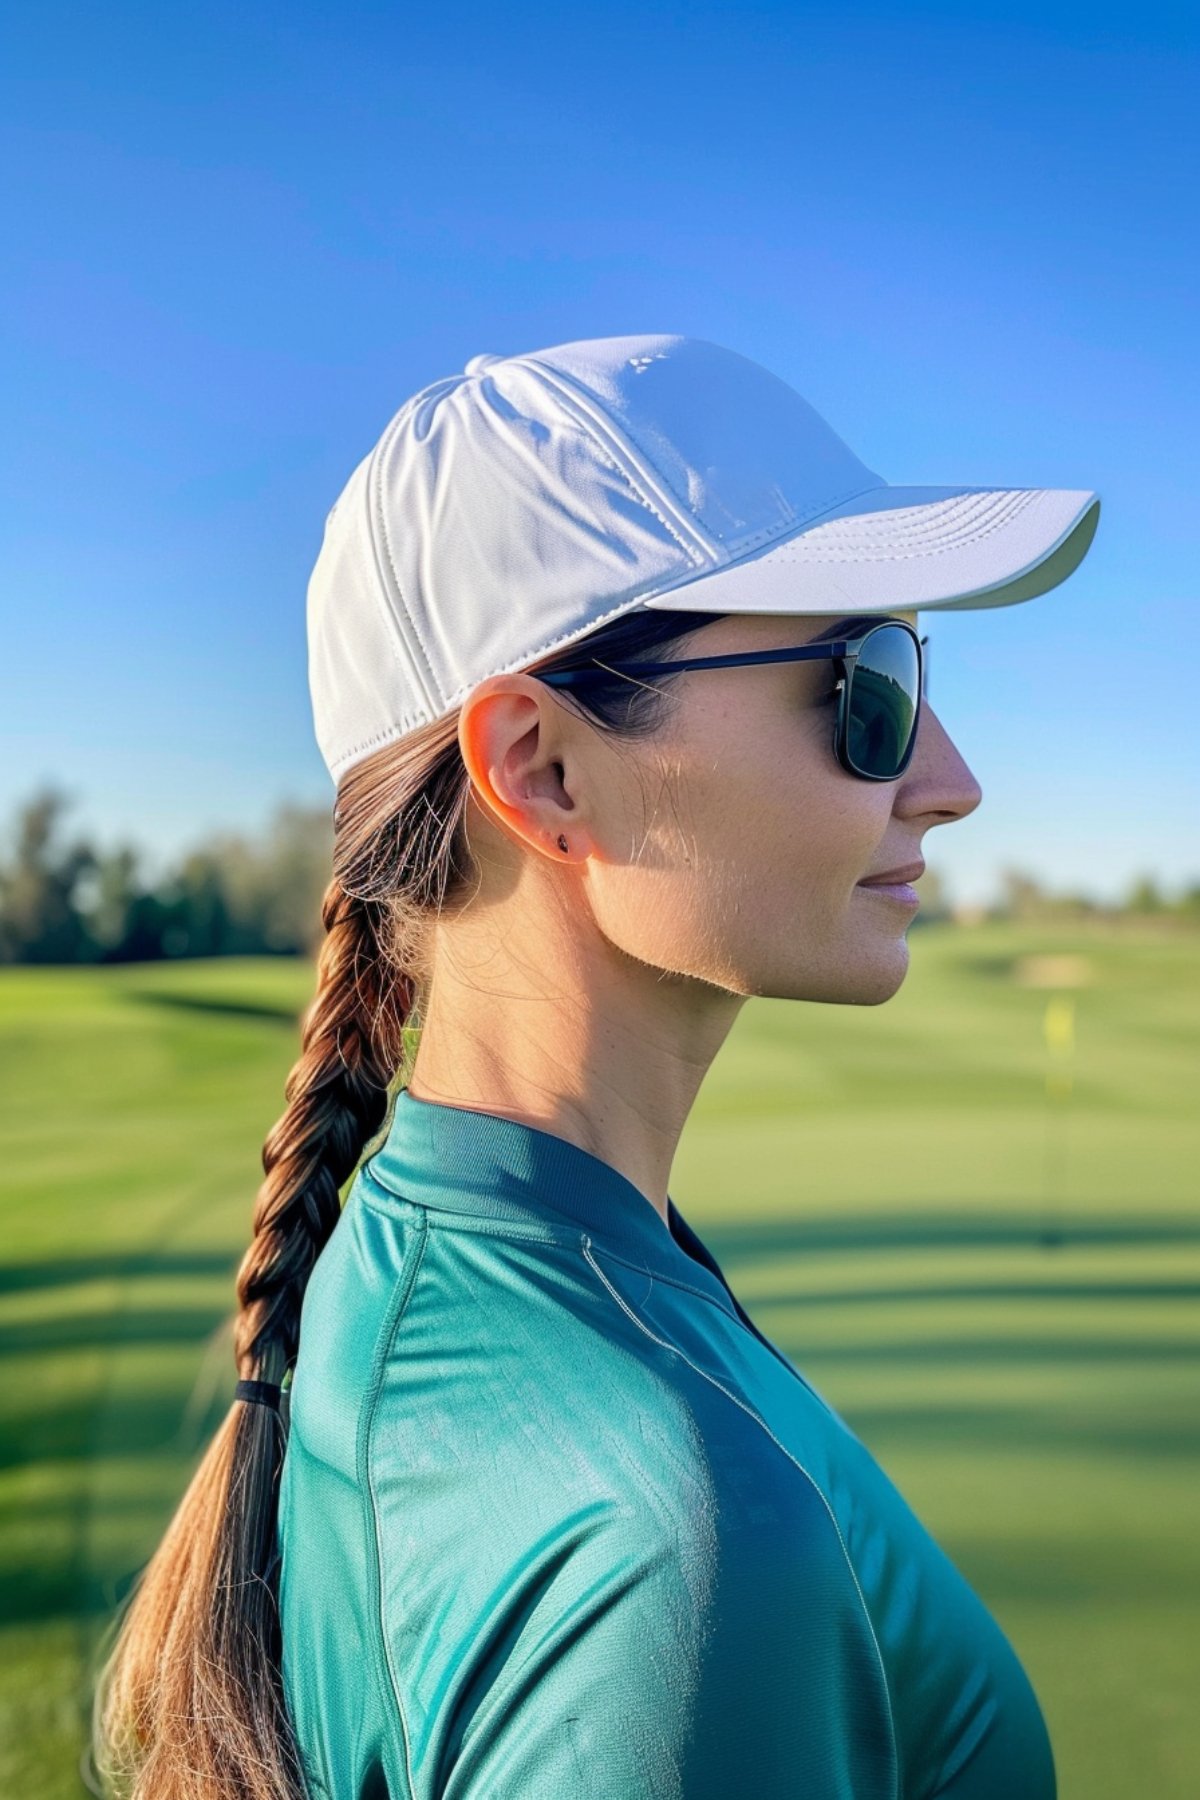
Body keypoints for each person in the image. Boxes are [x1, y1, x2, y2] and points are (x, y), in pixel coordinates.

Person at [92, 333, 1100, 1799]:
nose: (949, 780)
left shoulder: (421, 1250)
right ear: (547, 768)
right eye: (867, 681)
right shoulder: (671, 1553)